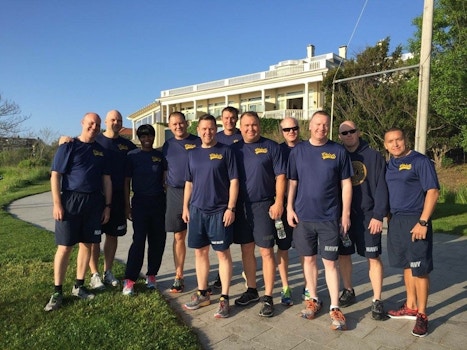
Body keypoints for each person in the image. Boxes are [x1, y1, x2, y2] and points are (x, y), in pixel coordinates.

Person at [287, 110, 352, 330]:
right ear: (310, 126)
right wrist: (289, 207)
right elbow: (293, 182)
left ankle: (335, 307)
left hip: (329, 218)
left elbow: (346, 184)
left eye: (325, 125)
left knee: (330, 263)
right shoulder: (298, 151)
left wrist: (345, 214)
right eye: (317, 124)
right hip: (304, 216)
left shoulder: (338, 151)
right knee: (308, 260)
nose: (321, 128)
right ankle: (313, 299)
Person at [57, 110, 136, 290]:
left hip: (115, 196)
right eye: (112, 120)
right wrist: (63, 139)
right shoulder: (96, 140)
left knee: (113, 235)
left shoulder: (127, 145)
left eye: (119, 120)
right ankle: (94, 274)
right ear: (106, 122)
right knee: (93, 238)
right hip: (95, 197)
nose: (116, 122)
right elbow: (76, 143)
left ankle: (108, 271)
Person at [44, 112, 112, 311]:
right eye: (91, 123)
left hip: (94, 202)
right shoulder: (69, 146)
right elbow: (55, 176)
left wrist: (107, 206)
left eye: (98, 125)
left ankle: (79, 286)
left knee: (88, 245)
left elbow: (106, 180)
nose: (94, 127)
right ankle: (57, 291)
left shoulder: (100, 151)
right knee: (65, 246)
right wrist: (57, 203)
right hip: (71, 200)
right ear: (83, 123)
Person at [384, 127, 439, 338]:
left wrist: (423, 222)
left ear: (405, 140)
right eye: (391, 141)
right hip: (397, 221)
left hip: (417, 219)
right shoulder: (389, 165)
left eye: (399, 139)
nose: (395, 144)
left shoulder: (420, 161)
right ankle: (410, 305)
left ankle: (422, 315)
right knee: (406, 264)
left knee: (419, 268)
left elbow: (433, 191)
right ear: (386, 145)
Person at [182, 114, 239, 318]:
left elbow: (234, 181)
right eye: (204, 129)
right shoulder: (193, 154)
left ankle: (224, 297)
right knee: (200, 253)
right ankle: (203, 292)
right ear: (198, 130)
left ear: (216, 130)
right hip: (197, 210)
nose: (207, 132)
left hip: (219, 211)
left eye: (211, 128)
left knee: (222, 254)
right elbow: (189, 183)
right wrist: (185, 207)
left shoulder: (226, 151)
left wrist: (230, 208)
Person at [232, 111, 286, 318]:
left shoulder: (271, 147)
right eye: (246, 125)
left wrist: (279, 201)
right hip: (241, 207)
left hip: (264, 206)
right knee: (246, 249)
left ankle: (269, 296)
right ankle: (252, 290)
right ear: (240, 126)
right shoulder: (234, 149)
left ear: (259, 126)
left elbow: (281, 176)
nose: (250, 129)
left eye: (254, 125)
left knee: (266, 251)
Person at [337, 120, 389, 321]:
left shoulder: (374, 156)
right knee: (344, 254)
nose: (349, 135)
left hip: (369, 216)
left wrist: (378, 215)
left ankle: (377, 299)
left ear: (359, 132)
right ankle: (348, 289)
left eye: (352, 131)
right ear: (340, 136)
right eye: (344, 133)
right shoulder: (337, 155)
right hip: (344, 216)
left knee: (373, 257)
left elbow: (382, 187)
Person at [121, 124, 167, 295]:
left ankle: (152, 275)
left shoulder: (159, 156)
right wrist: (127, 206)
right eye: (143, 136)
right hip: (140, 203)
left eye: (149, 136)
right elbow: (126, 182)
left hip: (158, 203)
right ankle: (130, 279)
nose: (147, 139)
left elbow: (165, 180)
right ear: (139, 138)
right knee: (139, 241)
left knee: (157, 240)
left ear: (154, 137)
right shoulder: (132, 156)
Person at [162, 112, 201, 293]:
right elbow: (164, 169)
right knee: (178, 236)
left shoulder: (198, 141)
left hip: (198, 193)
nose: (178, 127)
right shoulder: (167, 145)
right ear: (170, 126)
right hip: (175, 193)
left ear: (187, 123)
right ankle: (179, 275)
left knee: (202, 236)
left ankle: (206, 275)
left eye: (180, 123)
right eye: (174, 124)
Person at [210, 106, 242, 290]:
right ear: (222, 119)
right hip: (222, 194)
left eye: (232, 117)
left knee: (245, 239)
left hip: (241, 190)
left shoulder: (242, 135)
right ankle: (221, 274)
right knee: (221, 239)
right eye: (226, 118)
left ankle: (248, 270)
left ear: (236, 119)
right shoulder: (217, 137)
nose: (229, 120)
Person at [277, 116, 301, 306]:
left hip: (304, 207)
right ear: (282, 132)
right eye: (287, 129)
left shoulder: (308, 148)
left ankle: (309, 286)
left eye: (294, 128)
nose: (291, 132)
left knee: (305, 250)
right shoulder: (277, 150)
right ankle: (285, 287)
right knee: (283, 248)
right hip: (284, 207)